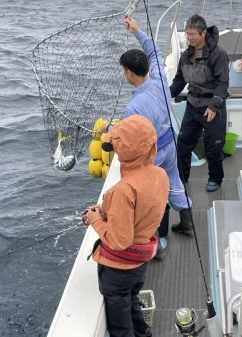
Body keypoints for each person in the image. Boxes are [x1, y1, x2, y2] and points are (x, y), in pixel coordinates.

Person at [102, 16, 194, 245]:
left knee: (152, 193)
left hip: (151, 153)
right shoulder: (160, 78)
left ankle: (157, 238)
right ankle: (187, 221)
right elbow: (153, 51)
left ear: (129, 73)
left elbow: (128, 138)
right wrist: (136, 30)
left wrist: (108, 128)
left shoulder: (133, 108)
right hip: (170, 143)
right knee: (174, 181)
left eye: (125, 70)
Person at [85, 114, 169, 337]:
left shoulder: (122, 191)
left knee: (121, 326)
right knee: (132, 301)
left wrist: (96, 220)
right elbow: (143, 210)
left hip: (118, 271)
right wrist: (106, 211)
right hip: (140, 266)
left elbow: (118, 240)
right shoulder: (160, 175)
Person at [169, 14, 229, 192]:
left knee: (214, 146)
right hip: (192, 104)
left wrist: (214, 106)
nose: (189, 38)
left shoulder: (218, 55)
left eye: (193, 34)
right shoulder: (186, 55)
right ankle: (181, 177)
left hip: (212, 106)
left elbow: (223, 83)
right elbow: (180, 81)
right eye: (187, 34)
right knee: (183, 143)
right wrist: (164, 95)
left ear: (203, 33)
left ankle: (215, 179)